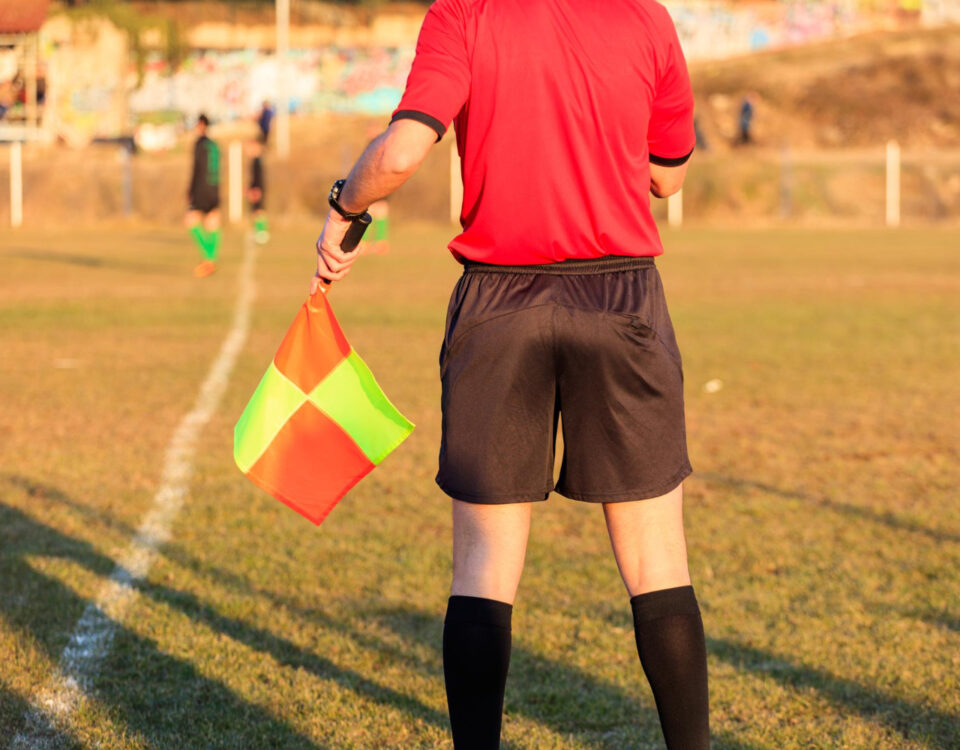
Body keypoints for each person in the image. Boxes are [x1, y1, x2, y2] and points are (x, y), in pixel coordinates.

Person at [312, 1, 708, 748]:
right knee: (657, 559)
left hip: (501, 302)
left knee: (483, 566)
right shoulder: (646, 18)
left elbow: (400, 154)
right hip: (622, 296)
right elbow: (669, 175)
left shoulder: (463, 12)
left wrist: (344, 207)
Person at [185, 114, 221, 278]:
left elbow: (197, 169)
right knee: (212, 222)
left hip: (202, 189)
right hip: (214, 188)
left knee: (191, 221)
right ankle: (211, 260)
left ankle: (208, 259)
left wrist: (191, 190)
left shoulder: (199, 144)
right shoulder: (214, 145)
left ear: (201, 125)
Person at [247, 135, 269, 244]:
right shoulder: (255, 160)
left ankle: (262, 233)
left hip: (257, 190)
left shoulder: (257, 160)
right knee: (257, 212)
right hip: (256, 189)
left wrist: (256, 190)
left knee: (259, 212)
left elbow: (258, 177)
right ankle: (259, 232)